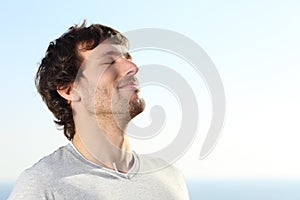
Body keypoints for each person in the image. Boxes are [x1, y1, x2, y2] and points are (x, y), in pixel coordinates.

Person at [9, 21, 189, 200]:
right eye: (109, 62)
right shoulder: (43, 186)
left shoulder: (171, 178)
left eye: (127, 58)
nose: (132, 68)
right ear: (69, 90)